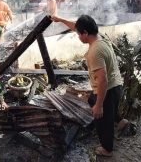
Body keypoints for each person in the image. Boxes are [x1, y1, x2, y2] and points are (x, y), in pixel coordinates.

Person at [51, 14, 129, 157]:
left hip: (108, 88)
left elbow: (103, 80)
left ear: (85, 33)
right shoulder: (101, 38)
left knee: (101, 119)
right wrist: (60, 19)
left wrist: (99, 105)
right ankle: (120, 121)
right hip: (116, 84)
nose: (78, 36)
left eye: (79, 35)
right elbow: (76, 26)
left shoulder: (94, 51)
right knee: (92, 99)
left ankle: (107, 149)